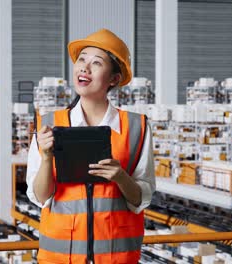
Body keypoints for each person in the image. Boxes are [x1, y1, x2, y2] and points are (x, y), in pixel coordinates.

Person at [26, 28, 155, 264]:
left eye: (96, 63)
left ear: (114, 78)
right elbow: (40, 197)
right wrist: (46, 158)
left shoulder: (137, 127)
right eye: (81, 59)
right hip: (60, 259)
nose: (84, 67)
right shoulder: (48, 124)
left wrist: (121, 177)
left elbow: (142, 199)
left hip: (117, 258)